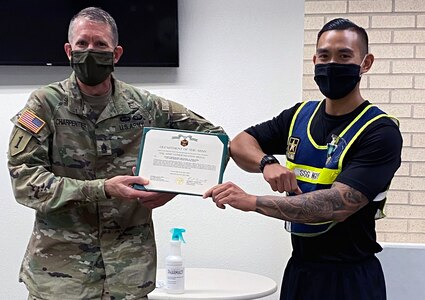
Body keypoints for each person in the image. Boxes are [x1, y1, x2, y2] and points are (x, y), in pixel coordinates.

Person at [8, 7, 226, 300]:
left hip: (128, 275)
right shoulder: (45, 104)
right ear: (68, 51)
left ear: (117, 53)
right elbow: (25, 183)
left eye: (100, 44)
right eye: (82, 44)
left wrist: (172, 188)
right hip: (60, 279)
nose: (90, 51)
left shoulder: (144, 106)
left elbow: (214, 139)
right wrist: (102, 189)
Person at [204, 18, 402, 300]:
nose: (332, 64)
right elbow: (239, 144)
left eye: (344, 55)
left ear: (366, 63)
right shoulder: (300, 115)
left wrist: (251, 202)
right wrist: (267, 163)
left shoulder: (380, 131)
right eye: (324, 55)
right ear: (314, 59)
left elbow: (336, 206)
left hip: (351, 277)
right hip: (300, 270)